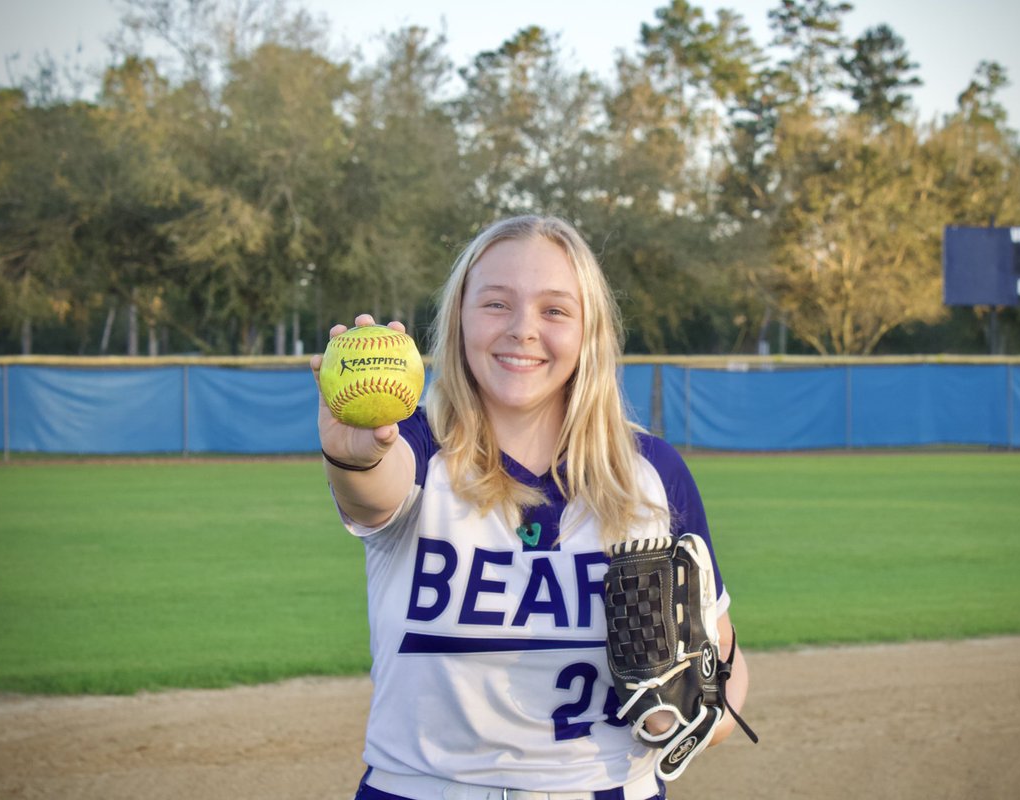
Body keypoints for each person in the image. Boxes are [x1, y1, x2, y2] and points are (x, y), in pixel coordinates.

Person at [312, 215, 749, 800]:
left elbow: (722, 655)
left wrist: (696, 724)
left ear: (588, 329)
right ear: (459, 317)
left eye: (554, 310)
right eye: (496, 303)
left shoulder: (652, 474)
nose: (523, 329)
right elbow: (372, 493)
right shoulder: (415, 447)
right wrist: (356, 456)